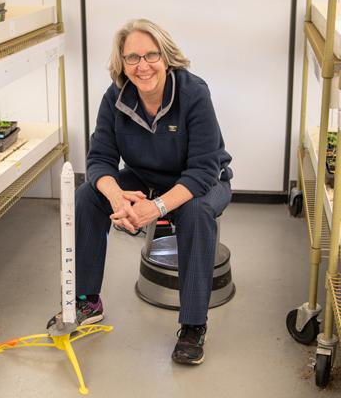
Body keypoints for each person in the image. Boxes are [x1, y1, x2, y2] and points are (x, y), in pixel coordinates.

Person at [47, 19, 233, 366]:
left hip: (203, 182)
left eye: (150, 55)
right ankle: (87, 300)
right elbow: (100, 159)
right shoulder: (115, 97)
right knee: (89, 196)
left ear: (167, 57)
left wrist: (157, 208)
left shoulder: (193, 92)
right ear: (121, 62)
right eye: (132, 57)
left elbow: (203, 170)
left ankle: (193, 324)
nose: (142, 65)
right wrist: (117, 196)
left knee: (195, 212)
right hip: (144, 179)